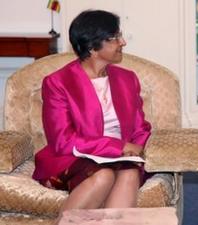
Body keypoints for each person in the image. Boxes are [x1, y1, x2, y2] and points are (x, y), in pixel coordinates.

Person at [32, 10, 151, 213]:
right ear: (92, 47)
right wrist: (118, 146)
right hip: (74, 157)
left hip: (122, 158)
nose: (123, 42)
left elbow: (141, 128)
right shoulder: (58, 83)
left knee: (130, 173)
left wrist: (135, 149)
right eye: (114, 37)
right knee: (104, 176)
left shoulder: (127, 78)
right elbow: (63, 141)